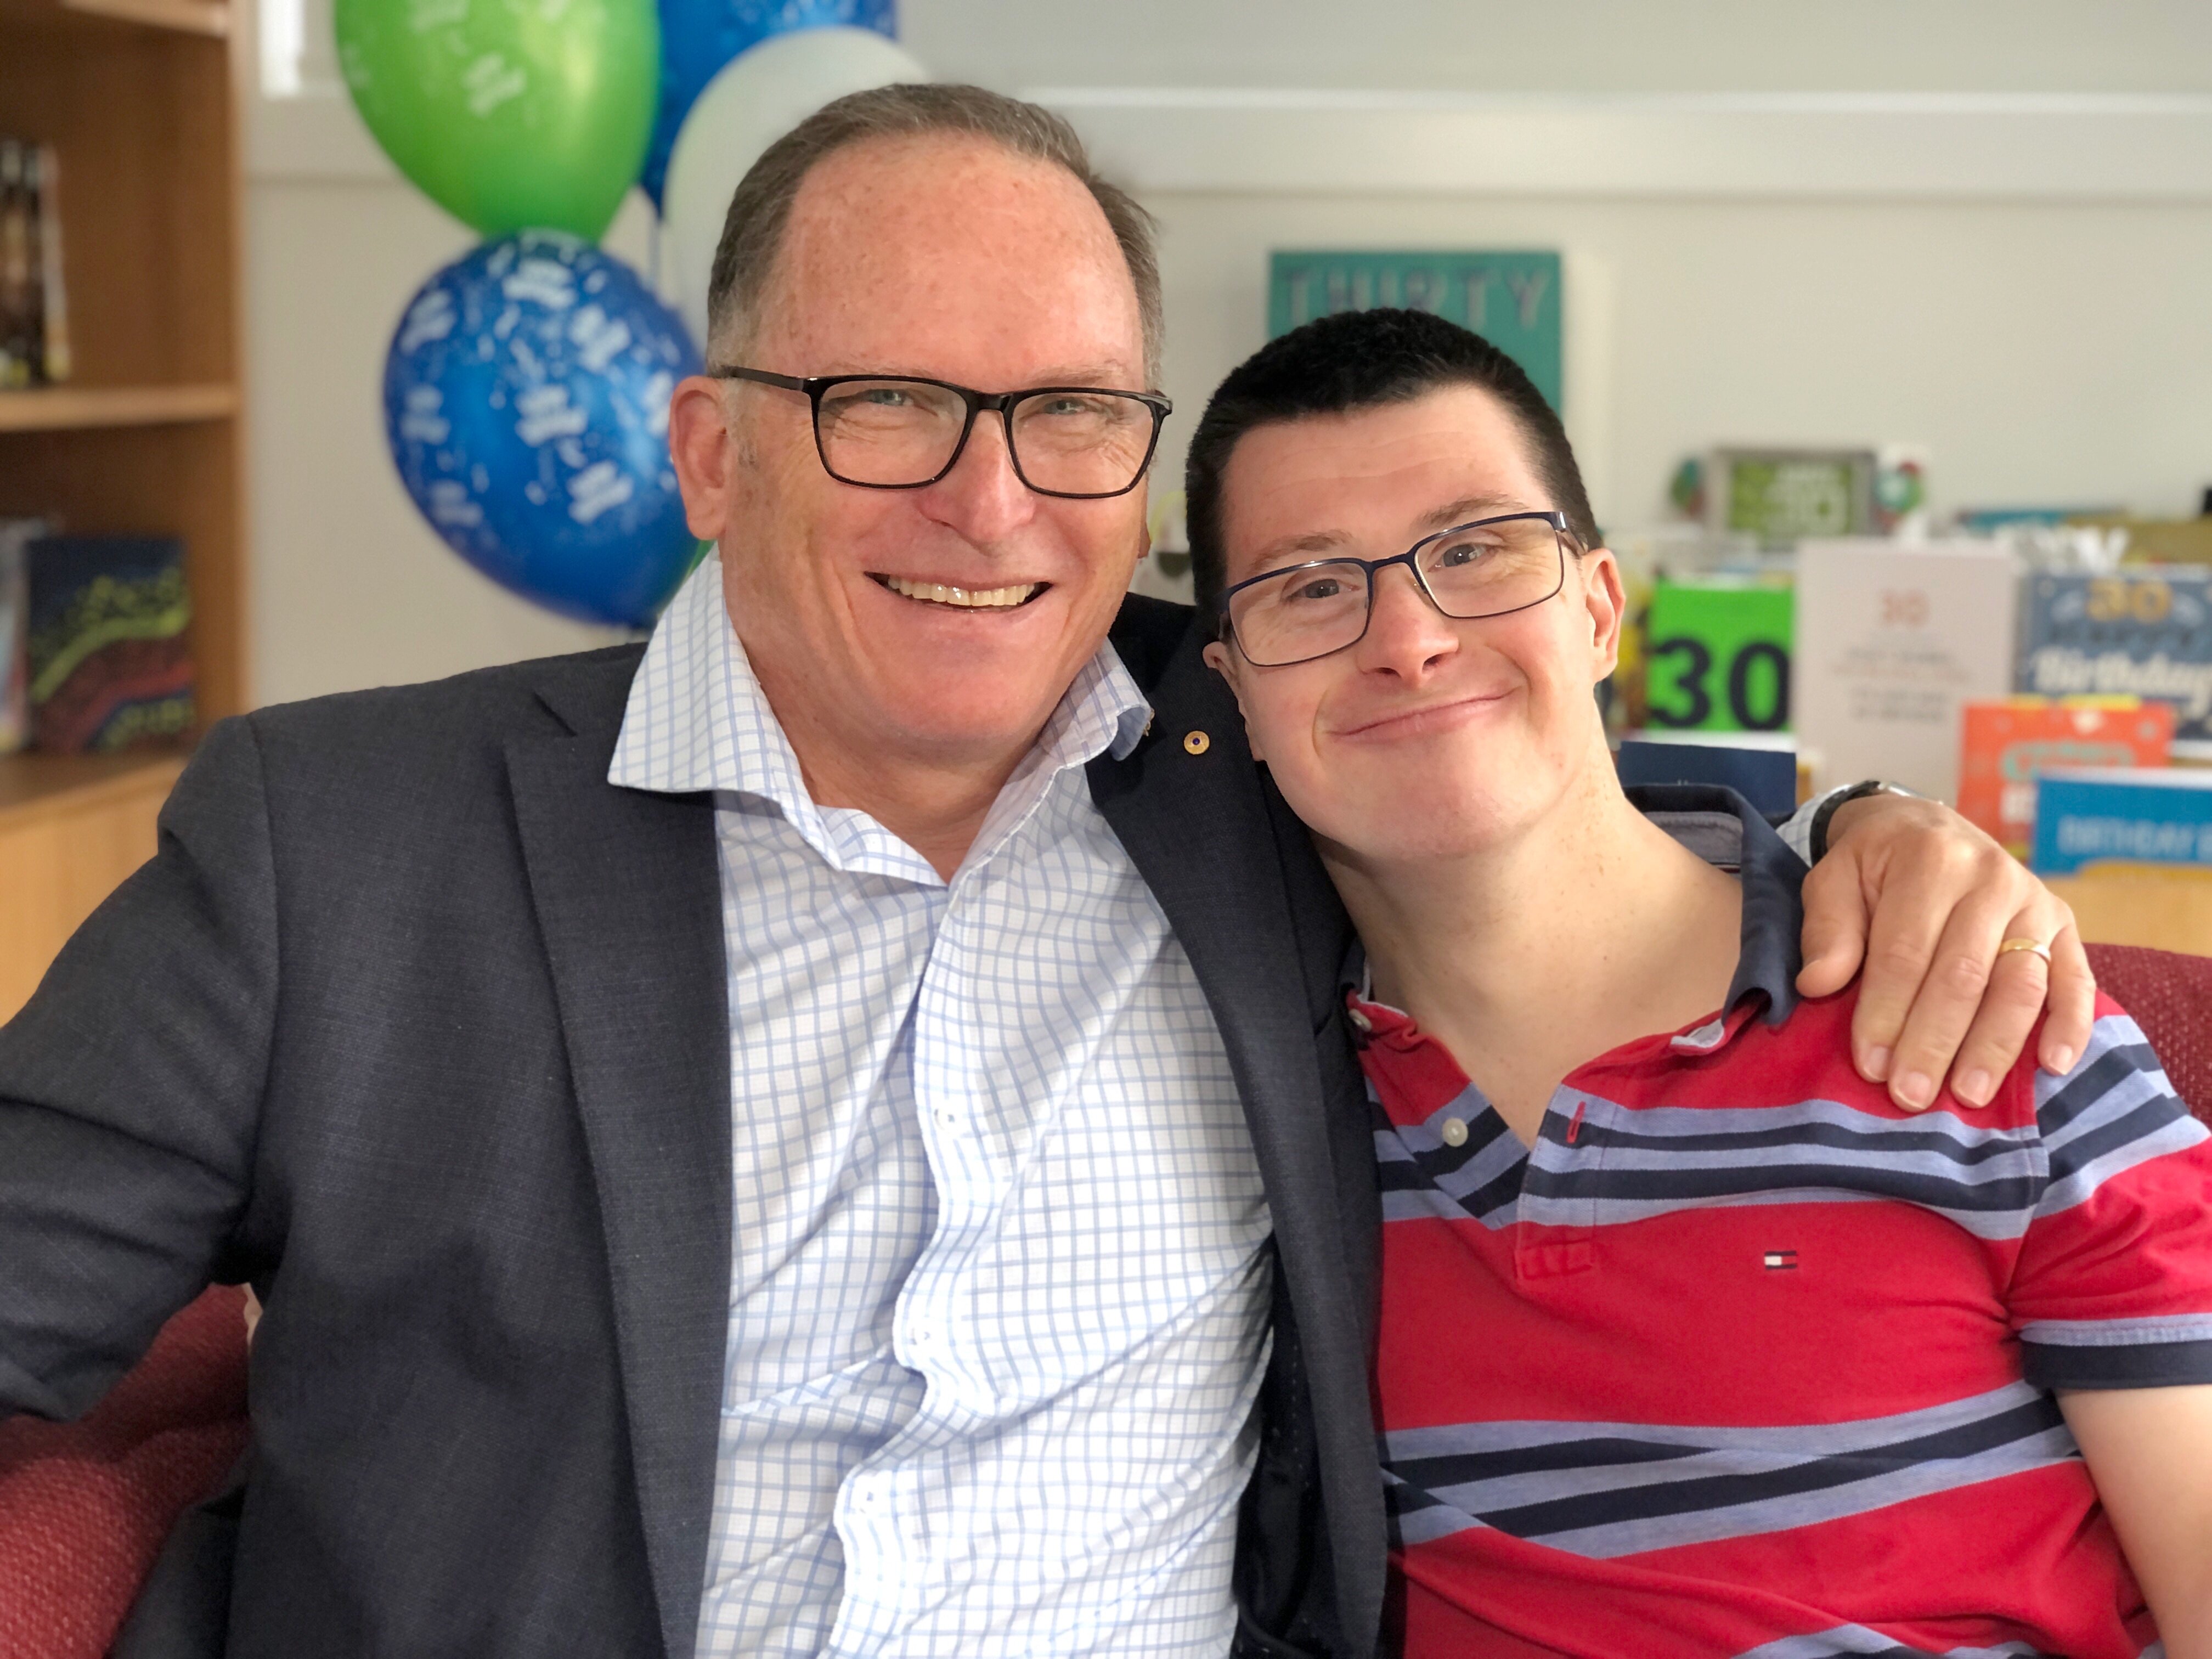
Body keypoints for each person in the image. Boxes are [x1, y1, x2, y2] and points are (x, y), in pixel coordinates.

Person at [0, 86, 2089, 1659]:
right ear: (713, 447)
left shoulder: (1249, 770)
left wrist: (1868, 829)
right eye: (889, 401)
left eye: (1076, 413)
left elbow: (1507, 733)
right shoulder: (337, 840)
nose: (995, 503)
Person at [1193, 305, 2212, 1658]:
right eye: (1310, 586)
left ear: (1603, 609)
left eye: (1478, 550)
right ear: (1233, 691)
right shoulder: (1238, 1094)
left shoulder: (1984, 1004)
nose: (1409, 637)